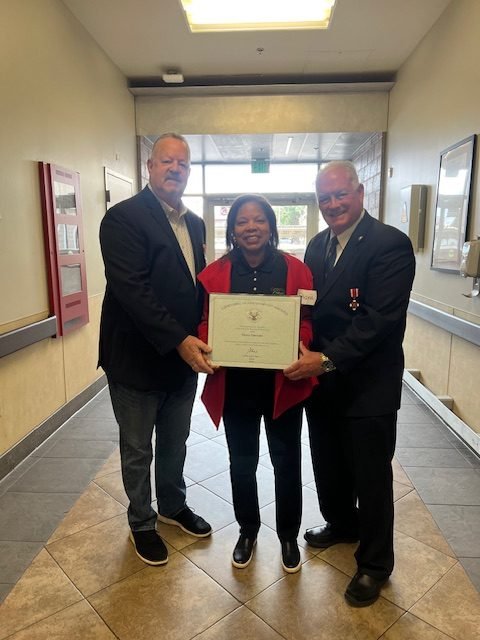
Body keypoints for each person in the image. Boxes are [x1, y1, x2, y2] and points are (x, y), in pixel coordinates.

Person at [285, 161, 415, 606]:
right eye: (325, 198)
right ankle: (341, 523)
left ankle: (375, 563)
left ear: (360, 193)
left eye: (341, 194)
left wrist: (325, 359)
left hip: (368, 386)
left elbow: (379, 320)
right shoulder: (318, 245)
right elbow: (307, 308)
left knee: (371, 477)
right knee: (329, 465)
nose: (333, 204)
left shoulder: (389, 244)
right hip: (323, 384)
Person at [98, 133, 214, 567]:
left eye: (183, 163)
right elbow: (134, 292)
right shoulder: (123, 219)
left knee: (175, 442)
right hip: (135, 360)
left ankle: (172, 505)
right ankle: (142, 522)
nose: (176, 169)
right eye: (167, 161)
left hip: (181, 362)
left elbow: (197, 289)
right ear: (150, 167)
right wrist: (181, 340)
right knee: (137, 448)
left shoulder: (196, 223)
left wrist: (209, 330)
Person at [197, 194, 317, 573]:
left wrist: (303, 343)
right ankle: (247, 530)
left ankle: (287, 536)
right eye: (243, 221)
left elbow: (308, 320)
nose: (251, 227)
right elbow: (204, 320)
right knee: (242, 462)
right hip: (236, 387)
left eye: (259, 220)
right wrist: (209, 342)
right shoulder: (213, 274)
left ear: (271, 226)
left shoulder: (296, 271)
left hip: (283, 384)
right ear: (232, 229)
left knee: (286, 461)